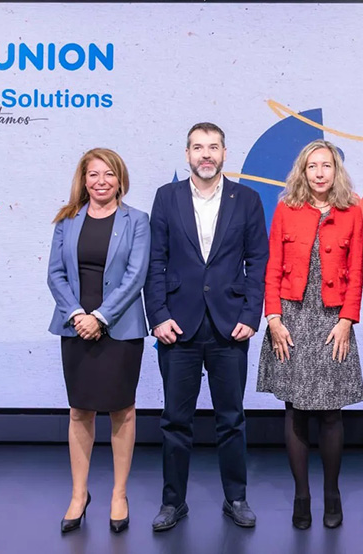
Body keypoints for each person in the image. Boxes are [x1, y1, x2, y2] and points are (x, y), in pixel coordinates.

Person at [144, 122, 268, 531]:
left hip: (229, 325)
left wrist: (251, 316)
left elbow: (258, 262)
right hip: (177, 326)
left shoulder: (247, 199)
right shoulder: (167, 197)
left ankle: (236, 498)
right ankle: (172, 503)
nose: (206, 154)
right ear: (187, 155)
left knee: (231, 419)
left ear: (225, 153)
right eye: (198, 147)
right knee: (175, 420)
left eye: (213, 147)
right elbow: (154, 262)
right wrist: (158, 315)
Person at [257, 139, 363, 530]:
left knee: (331, 411)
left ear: (336, 171)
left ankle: (332, 493)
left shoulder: (352, 211)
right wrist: (273, 320)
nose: (320, 173)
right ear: (302, 172)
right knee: (296, 409)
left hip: (333, 318)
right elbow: (272, 266)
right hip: (292, 317)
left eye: (327, 166)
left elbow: (358, 271)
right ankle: (301, 495)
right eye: (312, 166)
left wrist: (346, 321)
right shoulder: (286, 209)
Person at [46, 148, 150, 534]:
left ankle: (119, 494)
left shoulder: (137, 220)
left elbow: (136, 276)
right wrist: (78, 315)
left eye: (108, 174)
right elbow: (55, 275)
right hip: (75, 327)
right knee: (79, 411)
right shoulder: (66, 221)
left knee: (121, 411)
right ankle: (78, 494)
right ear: (83, 179)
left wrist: (101, 318)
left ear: (120, 179)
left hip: (119, 328)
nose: (100, 181)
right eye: (93, 174)